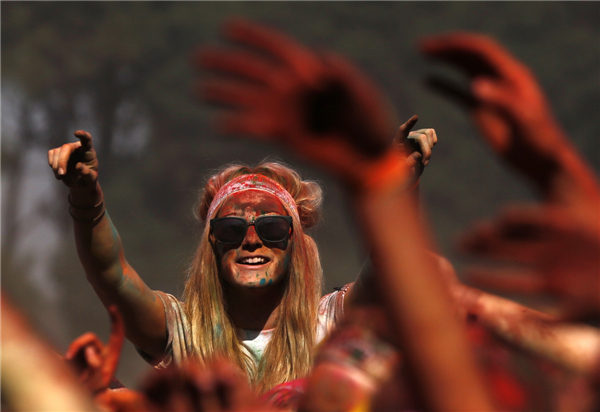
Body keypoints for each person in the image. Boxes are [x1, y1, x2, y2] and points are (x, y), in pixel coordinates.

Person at [48, 24, 436, 394]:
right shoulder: (181, 332)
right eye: (232, 230)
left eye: (270, 228)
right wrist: (86, 197)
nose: (251, 241)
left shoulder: (334, 325)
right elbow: (111, 276)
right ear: (211, 244)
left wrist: (394, 186)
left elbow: (393, 271)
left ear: (295, 240)